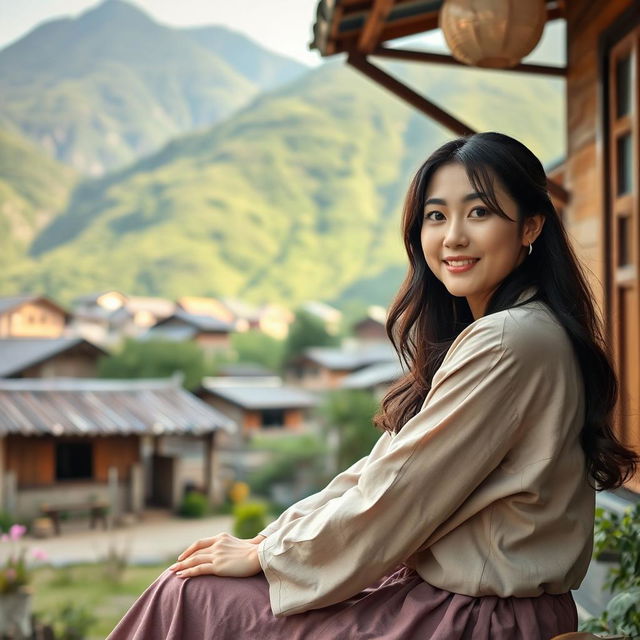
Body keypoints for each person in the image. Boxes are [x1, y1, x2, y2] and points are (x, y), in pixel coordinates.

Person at [107, 132, 638, 639]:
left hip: (473, 620)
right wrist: (268, 543)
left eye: (479, 212)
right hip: (470, 607)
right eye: (436, 216)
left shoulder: (507, 340)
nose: (453, 235)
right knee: (200, 592)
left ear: (530, 227)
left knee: (186, 595)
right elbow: (378, 473)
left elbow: (399, 494)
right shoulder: (516, 329)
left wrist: (270, 557)